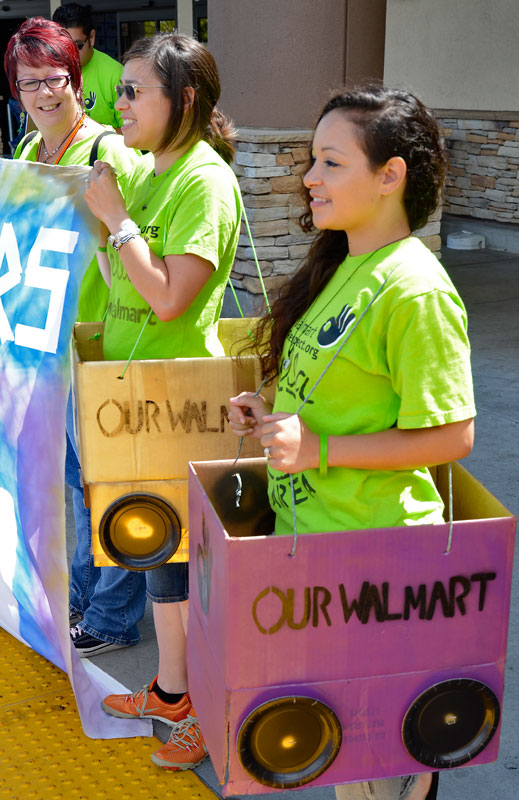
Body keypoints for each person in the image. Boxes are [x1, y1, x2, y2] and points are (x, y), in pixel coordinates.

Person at [228, 86, 476, 800]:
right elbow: (335, 391)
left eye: (330, 162)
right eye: (313, 161)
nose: (309, 178)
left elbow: (451, 434)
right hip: (325, 554)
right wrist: (272, 407)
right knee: (344, 762)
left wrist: (318, 451)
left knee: (372, 768)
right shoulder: (344, 265)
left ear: (390, 174)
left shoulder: (413, 291)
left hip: (379, 566)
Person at [83, 33, 242, 770]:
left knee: (186, 572)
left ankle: (205, 710)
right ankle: (171, 690)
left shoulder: (202, 182)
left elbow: (173, 298)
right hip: (135, 396)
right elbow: (126, 284)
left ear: (182, 100)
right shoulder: (149, 171)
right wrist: (107, 220)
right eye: (119, 91)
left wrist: (117, 222)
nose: (118, 103)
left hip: (179, 400)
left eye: (132, 89)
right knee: (158, 563)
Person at [4, 17, 147, 657]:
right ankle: (87, 601)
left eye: (55, 78)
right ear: (15, 89)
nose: (44, 94)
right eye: (29, 82)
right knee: (73, 481)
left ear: (77, 78)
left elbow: (131, 247)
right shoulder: (32, 155)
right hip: (44, 347)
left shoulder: (106, 151)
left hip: (96, 347)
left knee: (108, 483)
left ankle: (115, 618)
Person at [52, 3, 123, 132]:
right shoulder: (48, 73)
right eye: (63, 46)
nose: (70, 53)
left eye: (78, 45)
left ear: (92, 37)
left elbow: (132, 131)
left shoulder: (116, 74)